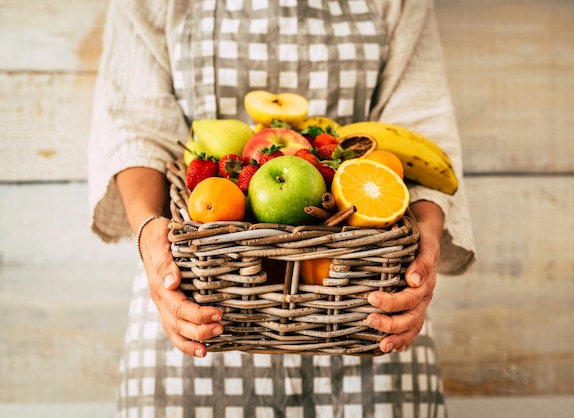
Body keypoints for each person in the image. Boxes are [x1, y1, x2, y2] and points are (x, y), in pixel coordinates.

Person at [88, 0, 476, 416]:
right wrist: (151, 232)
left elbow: (422, 125)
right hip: (197, 302)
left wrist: (425, 243)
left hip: (367, 308)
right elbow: (134, 124)